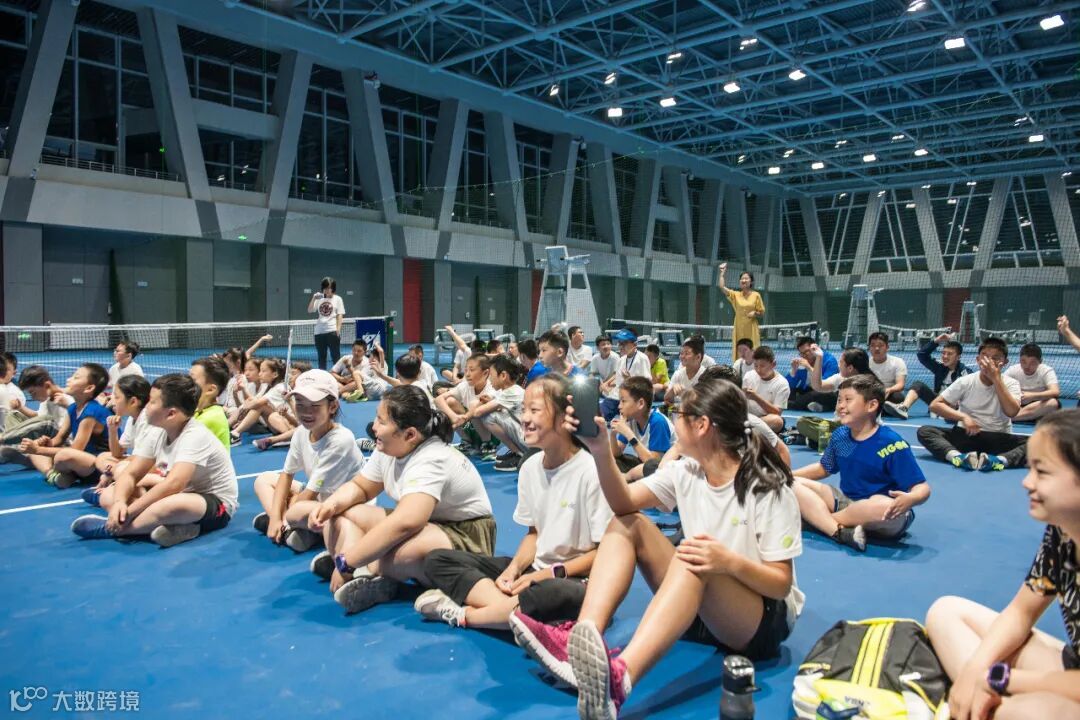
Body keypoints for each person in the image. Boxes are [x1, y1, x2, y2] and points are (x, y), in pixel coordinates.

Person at [510, 379, 802, 718]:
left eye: (679, 415)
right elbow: (623, 504)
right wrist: (600, 451)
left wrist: (728, 562)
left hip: (759, 622)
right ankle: (580, 638)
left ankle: (619, 681)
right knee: (627, 524)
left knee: (693, 555)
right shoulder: (685, 472)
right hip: (703, 608)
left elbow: (780, 584)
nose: (673, 422)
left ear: (702, 425)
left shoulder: (765, 487)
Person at [415, 374, 613, 635]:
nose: (525, 418)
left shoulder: (592, 471)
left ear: (564, 417)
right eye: (523, 410)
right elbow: (534, 535)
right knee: (437, 560)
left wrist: (546, 575)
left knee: (555, 594)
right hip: (534, 572)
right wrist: (514, 569)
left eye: (535, 410)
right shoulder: (530, 467)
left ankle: (468, 614)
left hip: (570, 578)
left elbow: (604, 555)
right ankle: (516, 614)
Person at [924, 409, 1080, 720]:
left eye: (1042, 472)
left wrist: (1002, 679)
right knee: (946, 612)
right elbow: (1022, 612)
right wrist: (977, 668)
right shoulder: (1062, 532)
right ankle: (988, 706)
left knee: (1039, 712)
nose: (1026, 482)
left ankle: (988, 707)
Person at [306, 385, 495, 614]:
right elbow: (361, 488)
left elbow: (407, 522)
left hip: (466, 535)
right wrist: (331, 504)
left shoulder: (431, 458)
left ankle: (362, 565)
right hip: (431, 526)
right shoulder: (388, 447)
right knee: (342, 514)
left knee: (401, 554)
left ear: (410, 434)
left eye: (381, 421)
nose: (373, 427)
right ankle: (372, 572)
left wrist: (348, 561)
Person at [70, 374, 239, 547]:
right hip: (177, 493)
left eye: (152, 402)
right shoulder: (158, 431)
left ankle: (114, 529)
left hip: (214, 504)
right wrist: (120, 502)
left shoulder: (195, 435)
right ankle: (181, 528)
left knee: (172, 505)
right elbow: (131, 473)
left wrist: (128, 512)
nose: (146, 407)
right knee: (109, 495)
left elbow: (174, 484)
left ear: (171, 414)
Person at [792, 375, 931, 552]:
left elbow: (922, 487)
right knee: (790, 483)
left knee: (878, 505)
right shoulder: (840, 436)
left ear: (871, 405)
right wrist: (786, 474)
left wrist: (911, 498)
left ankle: (818, 521)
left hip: (885, 513)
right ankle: (839, 531)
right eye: (839, 400)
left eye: (848, 400)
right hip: (847, 502)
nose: (840, 406)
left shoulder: (891, 443)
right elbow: (823, 468)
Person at [252, 369, 367, 553]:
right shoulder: (301, 432)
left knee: (297, 512)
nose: (306, 412)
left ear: (333, 407)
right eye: (300, 404)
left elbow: (309, 495)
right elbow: (286, 475)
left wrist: (283, 513)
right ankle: (292, 528)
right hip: (318, 497)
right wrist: (275, 519)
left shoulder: (341, 440)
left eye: (314, 405)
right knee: (263, 480)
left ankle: (295, 527)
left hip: (342, 507)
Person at [917, 338, 1027, 472]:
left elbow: (1011, 412)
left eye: (995, 358)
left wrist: (996, 379)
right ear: (978, 360)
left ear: (1004, 362)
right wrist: (963, 417)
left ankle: (998, 461)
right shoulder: (965, 381)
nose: (989, 362)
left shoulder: (1011, 383)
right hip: (966, 436)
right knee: (925, 431)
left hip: (998, 438)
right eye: (985, 357)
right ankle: (957, 457)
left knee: (1039, 442)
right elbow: (935, 405)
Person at [19, 363, 112, 487]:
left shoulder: (91, 412)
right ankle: (53, 475)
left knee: (63, 455)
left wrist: (39, 450)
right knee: (36, 448)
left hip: (100, 465)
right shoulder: (73, 408)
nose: (69, 379)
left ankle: (63, 475)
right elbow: (60, 438)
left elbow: (75, 450)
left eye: (76, 377)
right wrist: (47, 443)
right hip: (81, 462)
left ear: (89, 388)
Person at [78, 375, 153, 507]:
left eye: (117, 397)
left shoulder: (148, 419)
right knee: (102, 457)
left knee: (120, 469)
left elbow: (145, 459)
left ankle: (115, 491)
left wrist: (109, 473)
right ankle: (118, 487)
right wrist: (112, 430)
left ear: (133, 401)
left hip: (153, 467)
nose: (112, 401)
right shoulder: (132, 419)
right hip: (139, 463)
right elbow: (117, 453)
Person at [884, 333, 970, 420]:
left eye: (949, 354)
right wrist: (936, 341)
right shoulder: (939, 367)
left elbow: (970, 393)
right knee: (918, 385)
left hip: (954, 405)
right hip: (937, 402)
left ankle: (948, 413)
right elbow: (922, 355)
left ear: (958, 357)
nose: (945, 356)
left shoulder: (965, 372)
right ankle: (904, 408)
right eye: (943, 353)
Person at [467, 355, 529, 470]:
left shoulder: (512, 392)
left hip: (529, 440)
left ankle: (519, 454)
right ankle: (517, 452)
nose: (489, 379)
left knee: (488, 417)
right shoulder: (507, 390)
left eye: (491, 375)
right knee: (491, 413)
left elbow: (477, 413)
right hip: (527, 436)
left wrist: (461, 418)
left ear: (503, 376)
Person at [610, 376, 675, 474]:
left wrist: (628, 434)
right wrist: (613, 434)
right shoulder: (630, 420)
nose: (619, 406)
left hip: (666, 471)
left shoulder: (658, 422)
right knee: (613, 462)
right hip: (646, 463)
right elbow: (616, 453)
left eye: (623, 401)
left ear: (640, 404)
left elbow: (653, 465)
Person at [435, 355, 496, 457]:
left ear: (485, 373)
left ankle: (488, 444)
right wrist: (454, 417)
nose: (467, 374)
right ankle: (466, 442)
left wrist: (464, 418)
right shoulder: (465, 386)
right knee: (449, 401)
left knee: (475, 405)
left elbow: (477, 406)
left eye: (472, 370)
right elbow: (438, 399)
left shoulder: (492, 387)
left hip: (492, 434)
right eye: (466, 370)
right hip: (470, 425)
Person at [0, 366, 71, 454]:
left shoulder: (66, 401)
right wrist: (20, 408)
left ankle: (5, 441)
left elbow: (62, 434)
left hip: (61, 441)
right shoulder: (46, 401)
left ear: (46, 385)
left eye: (33, 393)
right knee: (13, 415)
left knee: (47, 422)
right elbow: (37, 416)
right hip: (44, 435)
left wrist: (40, 442)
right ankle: (14, 445)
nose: (33, 397)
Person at [229, 358, 293, 445]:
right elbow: (253, 400)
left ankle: (234, 433)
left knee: (260, 406)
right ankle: (231, 431)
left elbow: (256, 403)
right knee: (257, 406)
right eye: (260, 371)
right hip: (278, 424)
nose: (260, 374)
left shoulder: (280, 388)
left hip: (290, 426)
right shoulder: (271, 388)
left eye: (263, 371)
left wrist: (244, 408)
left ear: (275, 374)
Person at [599, 329, 650, 422]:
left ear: (635, 344)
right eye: (619, 343)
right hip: (616, 397)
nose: (620, 346)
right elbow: (618, 384)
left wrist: (630, 380)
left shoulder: (642, 358)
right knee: (598, 416)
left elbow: (646, 386)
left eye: (624, 343)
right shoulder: (621, 360)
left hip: (633, 398)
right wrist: (608, 389)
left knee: (626, 421)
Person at [718, 262, 765, 360]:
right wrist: (722, 273)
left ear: (751, 282)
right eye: (742, 279)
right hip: (739, 328)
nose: (743, 280)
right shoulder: (735, 295)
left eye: (746, 278)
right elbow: (722, 287)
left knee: (753, 351)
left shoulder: (756, 295)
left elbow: (762, 312)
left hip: (751, 328)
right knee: (739, 352)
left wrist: (755, 313)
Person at [1006, 343, 1062, 423]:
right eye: (1023, 361)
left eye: (1032, 362)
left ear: (1040, 361)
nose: (1027, 366)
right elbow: (998, 386)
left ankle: (1011, 418)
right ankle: (1029, 416)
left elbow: (1055, 392)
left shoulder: (1046, 370)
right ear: (1019, 360)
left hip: (1038, 404)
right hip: (1017, 405)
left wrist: (1032, 396)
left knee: (1053, 403)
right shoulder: (1013, 370)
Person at [741, 345, 790, 433]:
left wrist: (756, 398)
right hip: (747, 418)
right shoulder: (749, 376)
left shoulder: (782, 383)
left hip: (765, 420)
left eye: (762, 366)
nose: (758, 370)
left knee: (777, 421)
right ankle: (746, 430)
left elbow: (777, 412)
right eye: (756, 366)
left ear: (773, 364)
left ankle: (744, 430)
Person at [190, 357, 231, 448]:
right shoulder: (199, 410)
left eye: (192, 380)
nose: (186, 383)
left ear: (211, 390)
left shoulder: (210, 418)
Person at [787, 336, 840, 409]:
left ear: (814, 349)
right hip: (808, 390)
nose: (804, 356)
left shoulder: (830, 361)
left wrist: (809, 367)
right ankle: (820, 407)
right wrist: (793, 371)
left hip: (826, 391)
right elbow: (789, 385)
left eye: (806, 352)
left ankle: (792, 404)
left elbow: (824, 385)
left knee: (815, 395)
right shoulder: (802, 362)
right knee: (787, 390)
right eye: (801, 353)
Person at [308, 276, 345, 370]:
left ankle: (338, 376)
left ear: (333, 288)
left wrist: (338, 330)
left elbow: (340, 314)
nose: (327, 290)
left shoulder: (338, 299)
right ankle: (322, 377)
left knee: (336, 357)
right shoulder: (319, 299)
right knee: (321, 358)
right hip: (319, 333)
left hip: (332, 331)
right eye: (325, 288)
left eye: (329, 288)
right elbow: (310, 310)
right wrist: (313, 298)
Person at [664, 335, 708, 405]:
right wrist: (672, 390)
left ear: (698, 357)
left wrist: (685, 394)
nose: (682, 356)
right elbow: (667, 399)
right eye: (681, 353)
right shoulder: (678, 374)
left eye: (687, 353)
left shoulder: (706, 376)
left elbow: (706, 402)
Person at [867, 332, 908, 407]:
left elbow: (900, 384)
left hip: (889, 393)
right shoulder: (866, 363)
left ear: (887, 347)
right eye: (873, 345)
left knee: (898, 397)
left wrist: (888, 390)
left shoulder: (898, 362)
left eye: (880, 345)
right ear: (869, 347)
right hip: (871, 394)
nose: (876, 348)